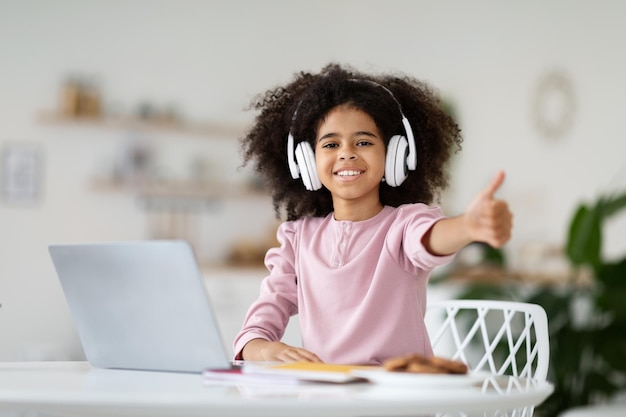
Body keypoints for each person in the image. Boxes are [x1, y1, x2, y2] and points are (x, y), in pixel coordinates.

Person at [233, 63, 513, 365]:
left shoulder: (404, 225)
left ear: (395, 155)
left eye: (364, 142)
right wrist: (267, 349)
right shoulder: (297, 239)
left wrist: (467, 227)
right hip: (324, 400)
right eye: (330, 144)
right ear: (306, 161)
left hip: (396, 401)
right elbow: (255, 332)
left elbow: (430, 239)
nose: (346, 152)